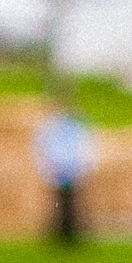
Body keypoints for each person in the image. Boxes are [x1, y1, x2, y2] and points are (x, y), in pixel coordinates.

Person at [33, 104, 94, 247]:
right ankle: (61, 234)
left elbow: (84, 148)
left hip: (72, 171)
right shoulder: (53, 128)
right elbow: (45, 147)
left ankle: (72, 234)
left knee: (72, 204)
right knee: (60, 204)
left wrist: (80, 169)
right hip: (59, 171)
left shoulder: (76, 128)